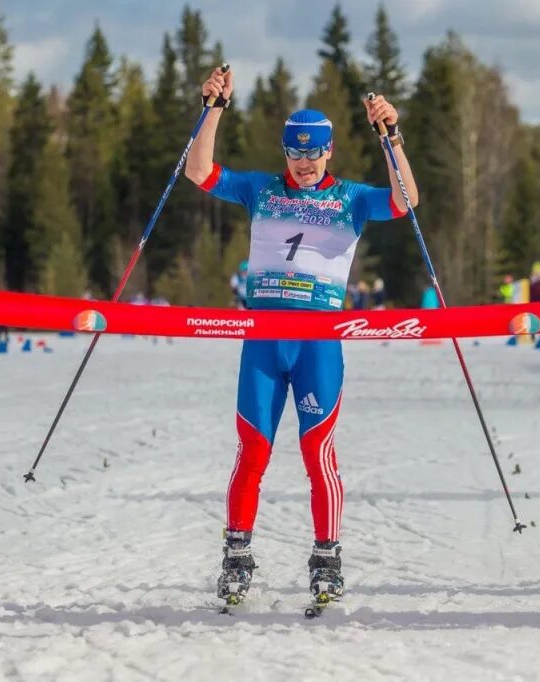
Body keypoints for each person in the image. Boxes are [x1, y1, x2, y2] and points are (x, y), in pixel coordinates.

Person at [185, 66, 418, 606]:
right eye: (296, 154)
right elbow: (198, 171)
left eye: (315, 155)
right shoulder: (260, 189)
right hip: (264, 342)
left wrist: (392, 136)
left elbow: (406, 201)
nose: (306, 164)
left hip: (318, 343)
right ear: (285, 152)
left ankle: (327, 558)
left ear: (330, 152)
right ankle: (237, 557)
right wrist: (213, 107)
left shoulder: (353, 199)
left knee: (318, 452)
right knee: (252, 451)